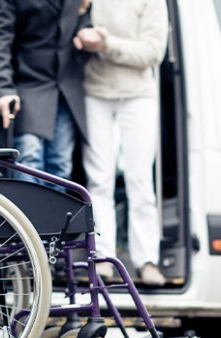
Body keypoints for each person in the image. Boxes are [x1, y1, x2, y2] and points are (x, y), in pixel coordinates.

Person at [75, 0, 169, 285]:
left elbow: (152, 52)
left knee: (140, 180)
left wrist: (105, 44)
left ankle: (146, 260)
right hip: (94, 93)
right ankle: (102, 257)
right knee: (98, 180)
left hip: (138, 95)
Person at [0, 0, 91, 183]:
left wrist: (84, 26)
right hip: (27, 83)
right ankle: (27, 212)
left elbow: (80, 38)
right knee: (29, 159)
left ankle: (54, 213)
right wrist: (2, 87)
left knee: (61, 167)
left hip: (65, 90)